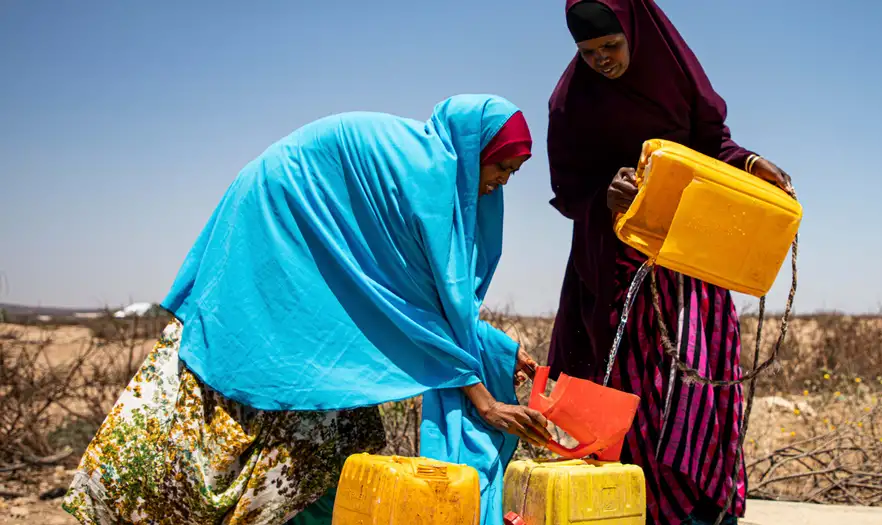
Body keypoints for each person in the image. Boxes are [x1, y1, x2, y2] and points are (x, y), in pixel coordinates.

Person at [63, 94, 552, 525]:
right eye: (499, 167)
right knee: (235, 422)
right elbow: (404, 306)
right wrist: (484, 400)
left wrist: (497, 351)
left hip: (306, 274)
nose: (501, 183)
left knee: (336, 436)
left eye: (512, 173)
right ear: (472, 152)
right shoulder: (420, 181)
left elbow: (422, 301)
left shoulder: (431, 179)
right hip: (274, 248)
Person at [545, 2, 794, 524]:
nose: (602, 60)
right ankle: (652, 513)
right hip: (623, 280)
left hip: (693, 269)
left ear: (635, 31)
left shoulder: (675, 76)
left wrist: (750, 164)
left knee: (704, 394)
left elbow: (713, 147)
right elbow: (569, 192)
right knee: (642, 402)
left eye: (611, 47)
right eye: (588, 52)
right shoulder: (570, 105)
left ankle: (709, 511)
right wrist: (603, 196)